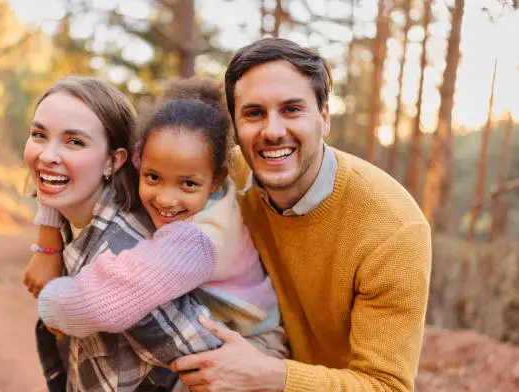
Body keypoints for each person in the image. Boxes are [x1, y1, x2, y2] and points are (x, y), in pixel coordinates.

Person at [171, 38, 432, 392]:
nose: (273, 131)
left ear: (324, 119)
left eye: (292, 109)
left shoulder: (393, 228)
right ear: (235, 123)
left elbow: (387, 386)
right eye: (254, 113)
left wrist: (270, 375)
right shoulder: (221, 176)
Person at [34, 79, 288, 391]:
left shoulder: (196, 239)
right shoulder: (196, 176)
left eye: (187, 184)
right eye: (153, 177)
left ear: (216, 179)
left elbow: (111, 299)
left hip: (251, 346)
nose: (166, 199)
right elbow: (62, 178)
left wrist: (51, 303)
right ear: (137, 162)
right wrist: (47, 237)